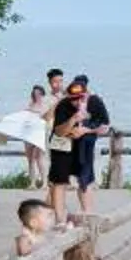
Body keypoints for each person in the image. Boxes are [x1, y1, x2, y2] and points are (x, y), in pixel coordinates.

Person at [43, 82, 96, 220]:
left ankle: (88, 215)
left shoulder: (93, 104)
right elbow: (59, 132)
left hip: (82, 146)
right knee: (60, 181)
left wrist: (86, 130)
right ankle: (60, 219)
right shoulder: (63, 106)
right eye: (74, 98)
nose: (77, 101)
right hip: (61, 146)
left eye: (81, 98)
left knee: (85, 179)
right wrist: (73, 120)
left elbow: (103, 125)